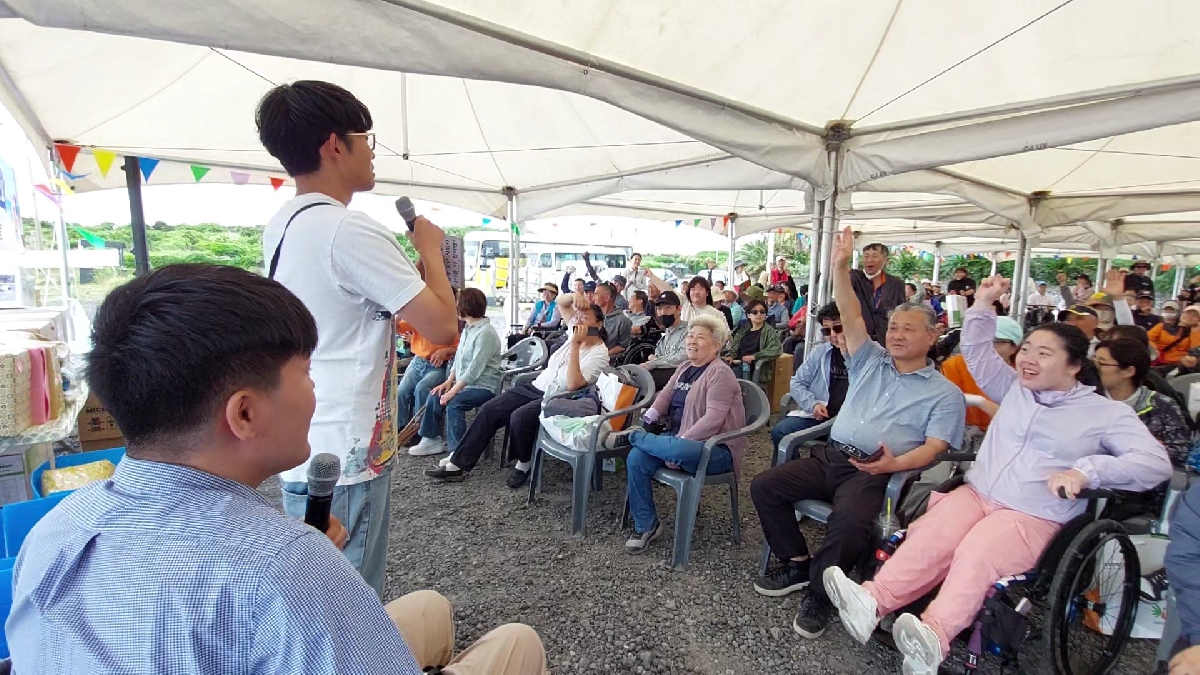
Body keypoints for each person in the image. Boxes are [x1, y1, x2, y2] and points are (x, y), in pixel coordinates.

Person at [7, 264, 547, 674]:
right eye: (307, 375)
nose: (316, 393)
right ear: (244, 412)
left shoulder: (61, 523)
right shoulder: (282, 563)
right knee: (517, 642)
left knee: (430, 609)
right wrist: (308, 565)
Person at [822, 275, 1171, 675]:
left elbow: (1154, 464)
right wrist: (984, 303)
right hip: (979, 493)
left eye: (1044, 353)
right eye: (1026, 349)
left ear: (1075, 365)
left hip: (1033, 512)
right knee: (931, 532)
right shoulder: (1015, 390)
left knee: (978, 549)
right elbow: (976, 351)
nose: (1028, 359)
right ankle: (873, 601)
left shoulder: (1107, 414)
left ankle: (934, 633)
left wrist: (1087, 470)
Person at [257, 81, 457, 595]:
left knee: (313, 595)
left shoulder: (284, 224)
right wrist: (431, 250)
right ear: (334, 145)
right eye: (367, 138)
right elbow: (443, 327)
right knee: (348, 602)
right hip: (345, 451)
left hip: (309, 440)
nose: (372, 152)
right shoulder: (350, 231)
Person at [750, 226, 965, 641]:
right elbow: (849, 313)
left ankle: (820, 593)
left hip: (875, 471)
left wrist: (895, 464)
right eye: (894, 327)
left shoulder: (945, 394)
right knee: (765, 486)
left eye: (908, 328)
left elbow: (936, 448)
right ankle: (797, 562)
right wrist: (840, 266)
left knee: (849, 524)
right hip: (831, 455)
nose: (897, 334)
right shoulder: (871, 359)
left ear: (932, 335)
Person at [425, 305, 611, 488]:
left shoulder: (599, 353)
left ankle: (524, 462)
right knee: (490, 409)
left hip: (558, 398)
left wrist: (575, 347)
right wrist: (579, 300)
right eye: (577, 317)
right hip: (536, 386)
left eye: (585, 318)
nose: (577, 320)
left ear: (599, 325)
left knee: (519, 417)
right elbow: (563, 301)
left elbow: (573, 385)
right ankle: (458, 463)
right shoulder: (574, 332)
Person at [617, 314, 746, 553]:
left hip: (714, 449)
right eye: (690, 335)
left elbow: (713, 420)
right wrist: (649, 417)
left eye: (700, 337)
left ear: (716, 345)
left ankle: (631, 436)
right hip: (675, 440)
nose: (691, 341)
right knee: (636, 458)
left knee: (662, 447)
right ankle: (646, 524)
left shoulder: (720, 373)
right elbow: (664, 397)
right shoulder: (685, 367)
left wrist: (679, 443)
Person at [412, 289, 503, 459]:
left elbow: (474, 370)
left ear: (465, 307)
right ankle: (431, 439)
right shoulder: (469, 329)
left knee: (454, 402)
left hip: (484, 387)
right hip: (465, 384)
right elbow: (459, 360)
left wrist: (453, 391)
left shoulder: (486, 333)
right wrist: (448, 383)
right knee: (435, 394)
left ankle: (458, 453)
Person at [1095, 339, 1191, 468]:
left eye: (1101, 363)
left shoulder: (1162, 405)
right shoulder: (1087, 402)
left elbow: (1180, 451)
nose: (1094, 368)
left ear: (1128, 371)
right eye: (1093, 361)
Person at [771, 303, 847, 450]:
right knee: (780, 432)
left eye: (838, 328)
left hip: (848, 422)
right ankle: (794, 470)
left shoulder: (865, 356)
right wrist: (813, 405)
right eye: (826, 330)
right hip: (820, 416)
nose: (832, 334)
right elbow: (797, 382)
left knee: (836, 448)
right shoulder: (820, 352)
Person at [939, 316, 1023, 433]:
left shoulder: (1023, 374)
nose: (987, 347)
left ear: (1014, 348)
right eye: (982, 340)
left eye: (996, 341)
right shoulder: (955, 365)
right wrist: (978, 401)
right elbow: (942, 399)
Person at [396, 319, 458, 445]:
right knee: (401, 391)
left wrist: (445, 351)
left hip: (439, 365)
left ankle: (419, 432)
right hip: (418, 361)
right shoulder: (420, 317)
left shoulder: (448, 322)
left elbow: (459, 347)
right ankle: (400, 429)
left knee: (422, 389)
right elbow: (396, 326)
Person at [851, 242, 907, 343]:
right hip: (858, 339)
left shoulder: (897, 283)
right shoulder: (853, 278)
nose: (869, 260)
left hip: (885, 340)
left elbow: (901, 312)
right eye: (866, 256)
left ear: (885, 260)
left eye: (874, 256)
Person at [724, 299, 783, 383]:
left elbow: (776, 349)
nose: (759, 314)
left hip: (754, 367)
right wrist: (730, 356)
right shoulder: (743, 331)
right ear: (748, 315)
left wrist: (754, 357)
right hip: (737, 363)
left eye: (762, 312)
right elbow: (734, 349)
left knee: (731, 375)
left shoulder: (770, 331)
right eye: (755, 312)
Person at [644, 291, 689, 390]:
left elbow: (683, 357)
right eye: (659, 309)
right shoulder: (665, 336)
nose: (663, 312)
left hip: (681, 377)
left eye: (668, 307)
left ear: (678, 309)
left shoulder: (689, 330)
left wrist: (653, 363)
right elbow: (656, 356)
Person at [1149, 302, 1200, 368]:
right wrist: (1154, 349)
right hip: (1157, 360)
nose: (1189, 317)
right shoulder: (1162, 326)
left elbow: (1195, 351)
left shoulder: (1196, 333)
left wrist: (1195, 331)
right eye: (1187, 313)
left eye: (1195, 315)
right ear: (1182, 314)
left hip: (1178, 365)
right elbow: (1147, 338)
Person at [514, 283, 561, 348]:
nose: (546, 295)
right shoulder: (538, 304)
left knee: (522, 340)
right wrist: (524, 329)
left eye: (549, 293)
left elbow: (553, 323)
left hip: (544, 331)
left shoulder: (556, 307)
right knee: (513, 338)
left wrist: (537, 326)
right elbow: (530, 318)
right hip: (532, 329)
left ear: (554, 295)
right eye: (544, 292)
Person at [595, 282, 632, 358]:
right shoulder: (593, 315)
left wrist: (602, 355)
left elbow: (622, 347)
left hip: (606, 360)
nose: (593, 297)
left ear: (607, 298)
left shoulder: (622, 321)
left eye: (596, 294)